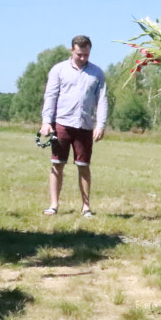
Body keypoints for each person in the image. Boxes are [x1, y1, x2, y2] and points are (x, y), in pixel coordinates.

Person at [40, 35, 107, 217]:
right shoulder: (59, 70)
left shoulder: (97, 73)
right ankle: (53, 205)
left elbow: (102, 100)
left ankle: (86, 207)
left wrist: (100, 125)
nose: (84, 58)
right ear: (72, 50)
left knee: (84, 166)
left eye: (86, 54)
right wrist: (47, 122)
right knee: (57, 164)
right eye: (80, 54)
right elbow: (51, 96)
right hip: (61, 124)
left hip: (84, 126)